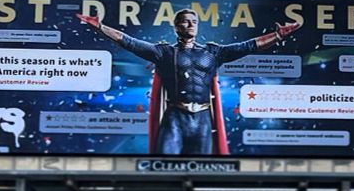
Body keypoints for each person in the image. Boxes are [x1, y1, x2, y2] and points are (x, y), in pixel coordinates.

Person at [77, 8, 300, 155]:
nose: (191, 25)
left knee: (201, 170)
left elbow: (248, 46)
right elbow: (129, 42)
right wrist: (100, 27)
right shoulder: (163, 52)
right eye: (185, 22)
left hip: (202, 119)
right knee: (164, 166)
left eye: (194, 22)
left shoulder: (213, 52)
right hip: (175, 117)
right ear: (176, 26)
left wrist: (278, 35)